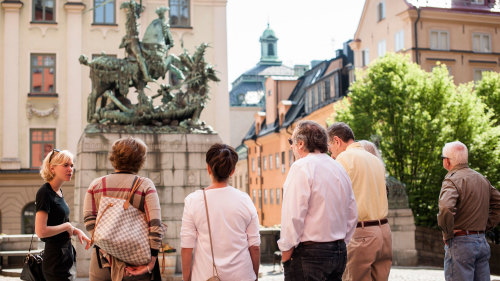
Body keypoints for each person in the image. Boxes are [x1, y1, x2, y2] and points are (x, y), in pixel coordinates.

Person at [278, 120, 358, 281]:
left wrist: (286, 254)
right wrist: (341, 241)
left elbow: (293, 216)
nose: (291, 147)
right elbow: (352, 213)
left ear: (300, 144)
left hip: (310, 254)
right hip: (339, 251)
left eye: (291, 142)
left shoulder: (301, 167)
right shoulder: (338, 167)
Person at [83, 137, 164, 281]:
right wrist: (150, 263)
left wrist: (106, 249)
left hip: (102, 263)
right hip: (136, 266)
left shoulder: (96, 185)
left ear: (113, 157)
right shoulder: (145, 185)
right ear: (140, 160)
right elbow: (155, 225)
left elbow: (89, 222)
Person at [181, 143, 261, 281]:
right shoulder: (245, 200)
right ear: (232, 171)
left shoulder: (193, 201)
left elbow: (186, 248)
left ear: (208, 169)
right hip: (242, 276)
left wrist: (186, 278)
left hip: (205, 276)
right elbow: (254, 247)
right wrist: (254, 275)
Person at [327, 122, 392, 281]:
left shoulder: (343, 159)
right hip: (384, 233)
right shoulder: (374, 159)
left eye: (330, 149)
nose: (331, 155)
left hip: (361, 234)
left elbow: (334, 200)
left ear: (337, 141)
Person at [437, 141, 500, 281]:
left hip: (460, 244)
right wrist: (486, 225)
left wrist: (447, 233)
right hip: (482, 242)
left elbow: (446, 207)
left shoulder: (452, 180)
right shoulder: (482, 179)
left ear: (447, 161)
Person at [35, 149, 91, 281]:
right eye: (65, 165)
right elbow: (41, 231)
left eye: (71, 165)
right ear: (52, 168)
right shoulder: (44, 192)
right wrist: (67, 226)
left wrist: (76, 231)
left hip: (65, 256)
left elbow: (57, 222)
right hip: (55, 259)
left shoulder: (59, 191)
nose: (70, 169)